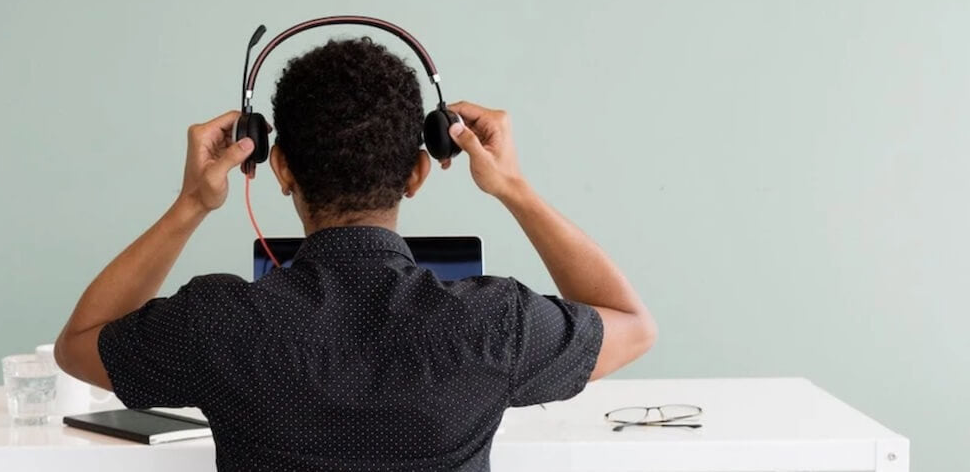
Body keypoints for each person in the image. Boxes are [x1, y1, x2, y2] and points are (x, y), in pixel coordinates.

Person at [54, 38, 656, 471]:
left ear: (280, 168)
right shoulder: (497, 323)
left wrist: (191, 202)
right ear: (419, 172)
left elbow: (78, 343)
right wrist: (513, 188)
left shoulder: (216, 321)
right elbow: (632, 324)